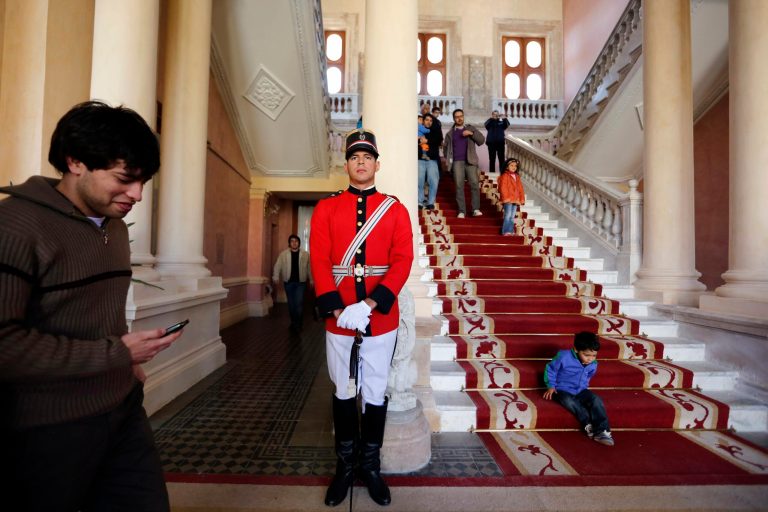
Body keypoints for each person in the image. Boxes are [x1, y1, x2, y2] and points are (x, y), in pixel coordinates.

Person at [0, 101, 184, 510]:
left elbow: (97, 310)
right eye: (124, 179)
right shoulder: (15, 226)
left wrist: (125, 360)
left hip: (122, 410)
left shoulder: (115, 228)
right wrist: (118, 352)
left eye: (143, 182)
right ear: (75, 161)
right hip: (47, 429)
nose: (136, 195)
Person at [311, 129, 413, 507]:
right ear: (347, 164)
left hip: (380, 318)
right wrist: (338, 308)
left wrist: (370, 304)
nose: (361, 163)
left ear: (376, 164)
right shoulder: (326, 208)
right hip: (338, 319)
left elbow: (402, 260)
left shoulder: (395, 209)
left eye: (367, 157)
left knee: (374, 392)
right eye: (355, 157)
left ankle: (370, 467)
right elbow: (320, 260)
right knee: (343, 391)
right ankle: (344, 467)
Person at [543, 331, 615, 447]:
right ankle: (588, 424)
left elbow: (589, 375)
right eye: (586, 355)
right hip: (561, 390)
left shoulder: (593, 364)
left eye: (594, 355)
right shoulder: (563, 356)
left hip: (580, 390)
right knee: (568, 401)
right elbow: (550, 369)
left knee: (596, 399)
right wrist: (551, 386)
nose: (590, 359)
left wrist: (583, 386)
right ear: (576, 349)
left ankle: (602, 431)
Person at [442, 108, 485, 218]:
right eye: (457, 117)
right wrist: (449, 161)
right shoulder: (450, 134)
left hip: (470, 161)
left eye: (461, 116)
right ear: (454, 119)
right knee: (459, 186)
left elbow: (481, 140)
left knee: (474, 184)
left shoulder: (471, 128)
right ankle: (462, 211)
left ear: (463, 117)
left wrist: (471, 133)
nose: (459, 118)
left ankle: (475, 209)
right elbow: (445, 148)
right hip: (457, 162)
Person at [272, 234, 313, 332]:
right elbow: (278, 266)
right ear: (289, 243)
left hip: (301, 283)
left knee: (298, 303)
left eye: (296, 241)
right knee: (291, 304)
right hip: (288, 283)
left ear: (299, 243)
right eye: (292, 241)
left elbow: (309, 269)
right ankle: (293, 322)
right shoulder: (283, 254)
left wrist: (311, 279)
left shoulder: (305, 254)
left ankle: (298, 324)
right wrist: (276, 276)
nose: (294, 243)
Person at [418, 114, 443, 210]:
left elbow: (438, 140)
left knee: (433, 181)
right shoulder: (418, 130)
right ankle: (419, 201)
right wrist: (420, 141)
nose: (428, 122)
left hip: (432, 160)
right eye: (426, 120)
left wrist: (426, 140)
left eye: (431, 120)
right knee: (419, 181)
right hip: (419, 159)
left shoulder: (436, 131)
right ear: (423, 121)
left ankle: (430, 202)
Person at [497, 158, 525, 236]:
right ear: (507, 167)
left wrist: (521, 198)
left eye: (515, 166)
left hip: (515, 199)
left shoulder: (517, 176)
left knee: (512, 216)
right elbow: (503, 188)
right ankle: (505, 231)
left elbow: (520, 188)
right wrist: (506, 198)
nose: (514, 167)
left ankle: (511, 230)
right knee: (508, 215)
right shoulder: (505, 176)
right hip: (508, 200)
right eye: (511, 165)